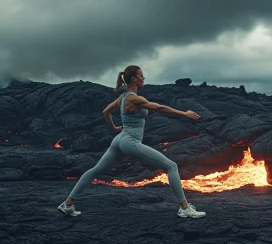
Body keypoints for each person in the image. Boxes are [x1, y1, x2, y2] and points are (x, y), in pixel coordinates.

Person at [58, 65, 206, 218]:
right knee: (171, 166)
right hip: (130, 142)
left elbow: (106, 112)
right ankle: (185, 208)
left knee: (95, 171)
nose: (144, 78)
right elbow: (159, 108)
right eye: (141, 75)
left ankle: (68, 204)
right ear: (134, 79)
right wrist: (184, 113)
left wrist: (114, 128)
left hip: (120, 140)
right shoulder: (135, 99)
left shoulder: (122, 97)